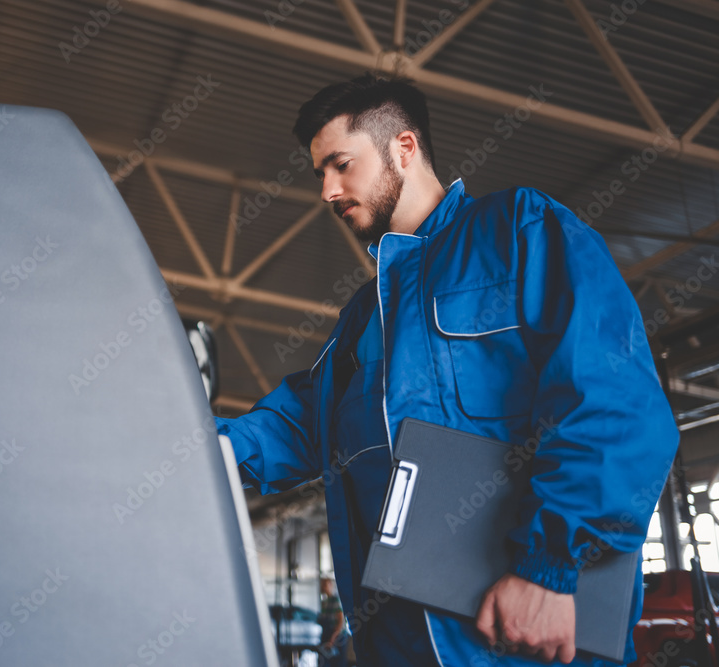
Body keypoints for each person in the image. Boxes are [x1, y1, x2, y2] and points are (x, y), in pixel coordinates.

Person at [215, 73, 679, 666]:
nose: (328, 191)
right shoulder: (362, 318)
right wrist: (188, 446)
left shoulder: (519, 231)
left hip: (517, 632)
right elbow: (300, 427)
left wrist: (551, 570)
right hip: (398, 640)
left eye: (340, 165)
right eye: (319, 175)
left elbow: (615, 400)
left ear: (402, 148)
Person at [317, 576, 347, 666]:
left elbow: (340, 622)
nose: (323, 587)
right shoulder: (325, 602)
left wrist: (332, 639)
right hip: (327, 635)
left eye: (325, 585)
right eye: (322, 585)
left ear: (331, 585)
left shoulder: (336, 601)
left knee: (337, 663)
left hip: (337, 637)